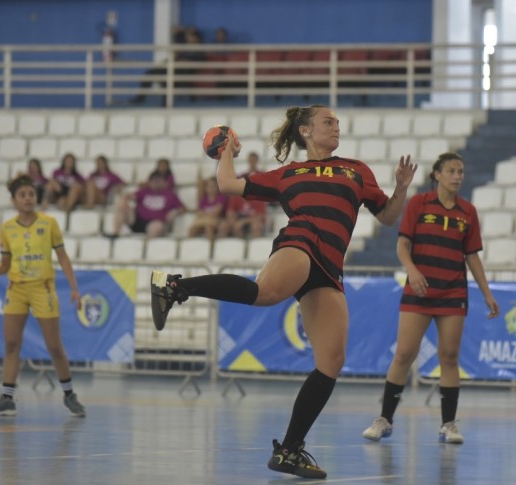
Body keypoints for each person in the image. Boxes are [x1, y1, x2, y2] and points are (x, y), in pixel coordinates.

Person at [149, 104, 417, 479]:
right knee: (266, 293)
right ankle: (174, 287)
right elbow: (228, 185)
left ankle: (290, 451)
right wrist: (226, 150)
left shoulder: (357, 170)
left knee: (331, 362)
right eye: (328, 122)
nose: (336, 127)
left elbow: (387, 217)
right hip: (302, 239)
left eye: (338, 123)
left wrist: (401, 189)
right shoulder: (288, 173)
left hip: (329, 266)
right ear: (306, 131)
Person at [362, 152, 500, 445]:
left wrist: (487, 293)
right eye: (451, 170)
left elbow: (472, 256)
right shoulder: (418, 204)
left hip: (453, 293)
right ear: (437, 174)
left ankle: (448, 424)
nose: (457, 176)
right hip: (419, 292)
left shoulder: (468, 212)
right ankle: (384, 419)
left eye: (460, 171)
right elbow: (402, 245)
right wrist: (411, 270)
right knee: (404, 354)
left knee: (449, 358)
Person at [0, 174, 86, 417]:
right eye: (22, 195)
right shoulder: (7, 228)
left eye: (31, 194)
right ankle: (7, 398)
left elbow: (62, 257)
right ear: (14, 200)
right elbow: (6, 264)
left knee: (54, 346)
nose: (28, 199)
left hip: (43, 288)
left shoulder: (48, 223)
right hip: (16, 289)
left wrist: (74, 288)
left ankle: (69, 394)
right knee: (10, 344)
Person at [106, 172, 186, 239]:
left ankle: (147, 247)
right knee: (121, 204)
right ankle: (116, 233)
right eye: (154, 180)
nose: (156, 183)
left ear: (164, 182)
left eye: (158, 181)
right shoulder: (144, 191)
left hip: (155, 222)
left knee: (157, 226)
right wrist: (125, 197)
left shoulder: (170, 194)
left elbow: (183, 208)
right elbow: (130, 196)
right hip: (137, 220)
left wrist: (175, 212)